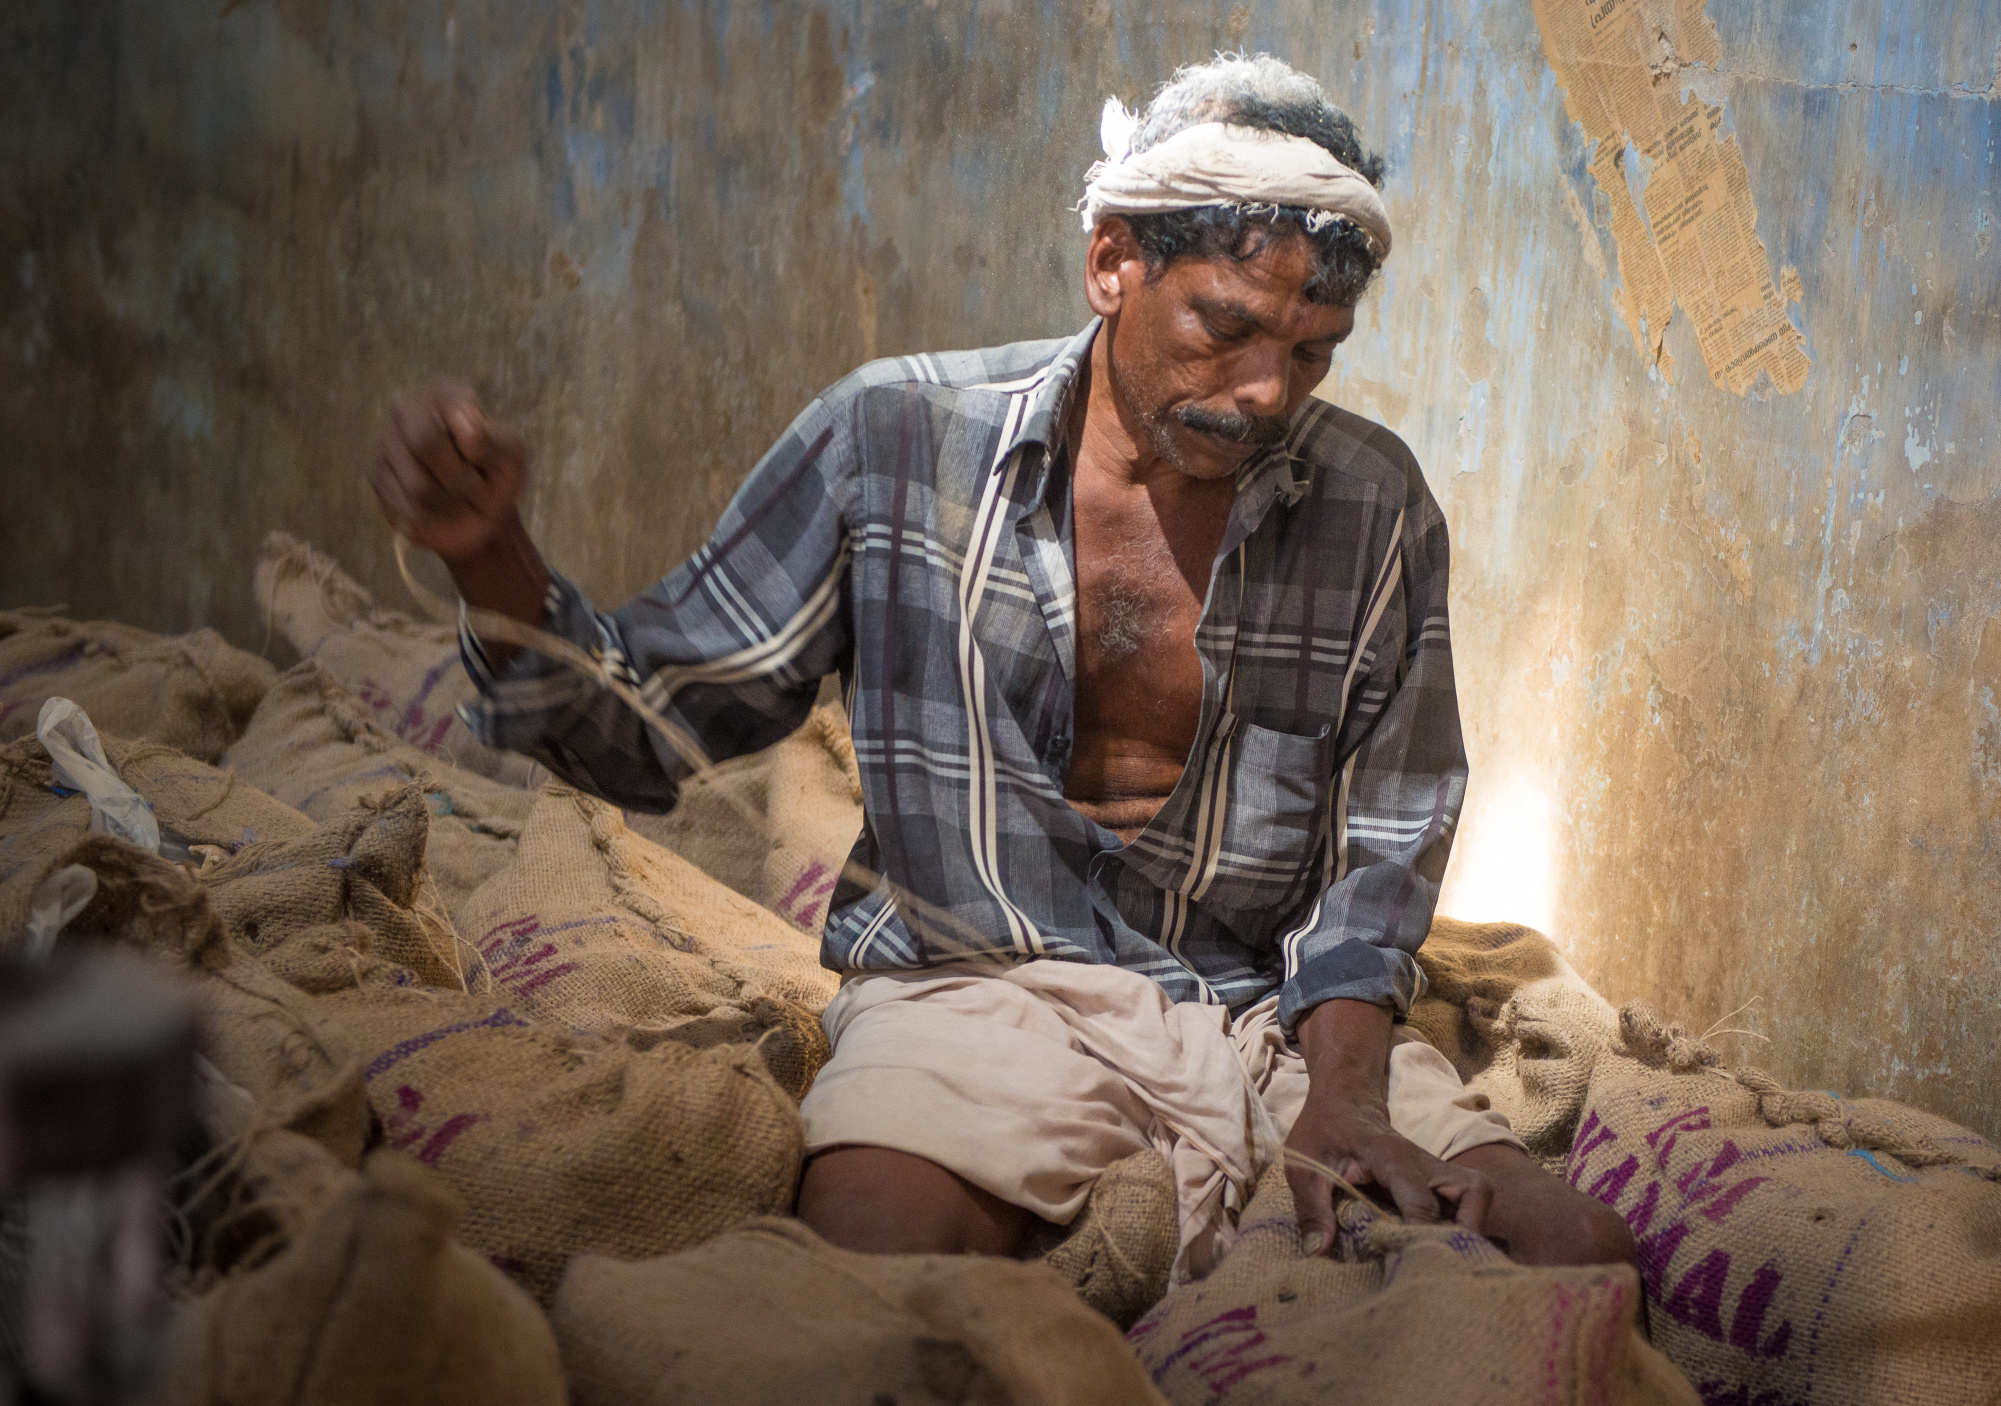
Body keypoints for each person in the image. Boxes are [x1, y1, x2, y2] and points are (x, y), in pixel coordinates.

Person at [370, 53, 1633, 1281]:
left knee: (1574, 1251)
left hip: (1271, 1021)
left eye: (1311, 351)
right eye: (1228, 326)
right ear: (1110, 263)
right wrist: (490, 555)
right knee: (866, 1270)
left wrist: (1347, 1097)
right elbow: (646, 725)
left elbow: (1379, 858)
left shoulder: (1372, 505)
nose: (1263, 392)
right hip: (973, 993)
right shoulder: (894, 439)